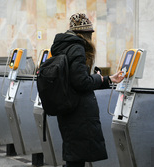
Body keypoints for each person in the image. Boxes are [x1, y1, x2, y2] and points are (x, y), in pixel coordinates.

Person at [50, 13, 124, 167]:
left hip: (68, 107)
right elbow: (81, 82)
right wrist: (102, 78)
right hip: (78, 112)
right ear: (85, 34)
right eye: (90, 34)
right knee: (76, 158)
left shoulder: (61, 47)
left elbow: (73, 78)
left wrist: (105, 79)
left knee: (74, 154)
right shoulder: (77, 48)